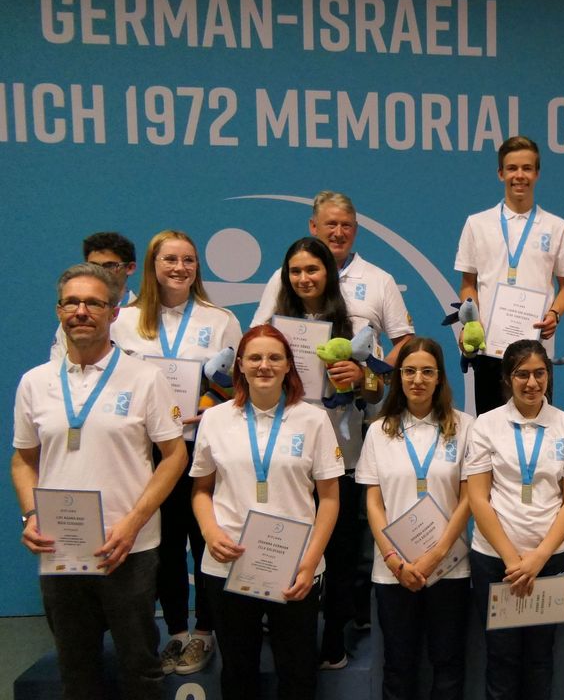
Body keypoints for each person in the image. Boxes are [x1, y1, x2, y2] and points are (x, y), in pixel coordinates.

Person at [13, 262, 187, 700]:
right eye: (71, 302)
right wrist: (30, 515)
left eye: (94, 302)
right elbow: (21, 461)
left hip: (128, 547)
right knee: (77, 671)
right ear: (58, 311)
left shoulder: (145, 377)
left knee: (140, 669)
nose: (81, 311)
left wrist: (133, 523)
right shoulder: (34, 383)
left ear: (113, 313)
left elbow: (174, 456)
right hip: (60, 548)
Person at [112, 230, 243, 675]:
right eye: (170, 259)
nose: (180, 268)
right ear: (152, 265)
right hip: (149, 454)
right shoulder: (124, 320)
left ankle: (205, 632)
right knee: (164, 547)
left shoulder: (219, 318)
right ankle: (175, 633)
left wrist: (209, 406)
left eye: (188, 260)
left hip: (204, 447)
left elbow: (236, 383)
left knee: (206, 541)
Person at [191, 324, 343, 700]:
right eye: (255, 357)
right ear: (239, 364)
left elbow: (330, 499)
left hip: (295, 567)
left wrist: (310, 562)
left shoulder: (312, 419)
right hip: (228, 564)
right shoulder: (215, 418)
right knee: (238, 671)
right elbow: (201, 490)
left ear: (289, 365)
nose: (264, 365)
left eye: (275, 357)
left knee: (297, 672)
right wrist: (210, 533)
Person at [267, 236, 379, 668]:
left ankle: (334, 638)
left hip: (341, 455)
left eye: (312, 270)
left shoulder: (352, 324)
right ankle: (286, 641)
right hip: (284, 457)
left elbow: (378, 392)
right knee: (285, 546)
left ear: (328, 274)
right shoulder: (276, 327)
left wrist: (361, 377)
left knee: (340, 554)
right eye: (295, 271)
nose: (304, 278)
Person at [463, 339, 564, 699]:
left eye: (539, 373)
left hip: (550, 560)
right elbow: (478, 498)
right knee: (500, 658)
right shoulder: (486, 425)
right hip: (495, 561)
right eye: (522, 374)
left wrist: (537, 558)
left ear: (548, 377)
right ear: (507, 378)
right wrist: (512, 559)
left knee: (539, 658)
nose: (532, 383)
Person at [357, 336, 474, 700]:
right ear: (398, 377)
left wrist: (436, 554)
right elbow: (374, 503)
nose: (417, 379)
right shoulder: (379, 430)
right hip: (394, 570)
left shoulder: (465, 426)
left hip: (449, 566)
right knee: (399, 665)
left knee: (448, 664)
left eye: (427, 371)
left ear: (440, 377)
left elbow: (470, 498)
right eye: (409, 371)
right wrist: (394, 559)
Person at [456, 136, 564, 414]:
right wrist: (471, 323)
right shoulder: (477, 224)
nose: (519, 175)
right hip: (490, 350)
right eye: (512, 168)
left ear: (536, 173)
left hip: (536, 350)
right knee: (489, 431)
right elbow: (467, 285)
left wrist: (555, 315)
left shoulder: (556, 227)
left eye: (526, 168)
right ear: (501, 173)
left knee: (538, 430)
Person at [251, 190, 415, 362]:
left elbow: (405, 341)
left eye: (346, 225)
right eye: (331, 224)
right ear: (313, 226)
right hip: (295, 386)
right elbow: (257, 334)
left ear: (356, 229)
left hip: (359, 388)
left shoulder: (380, 280)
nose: (338, 233)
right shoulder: (285, 278)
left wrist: (374, 375)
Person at [50, 231, 138, 361]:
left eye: (109, 266)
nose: (101, 272)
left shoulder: (145, 317)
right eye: (94, 266)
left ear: (130, 268)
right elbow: (59, 366)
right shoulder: (76, 317)